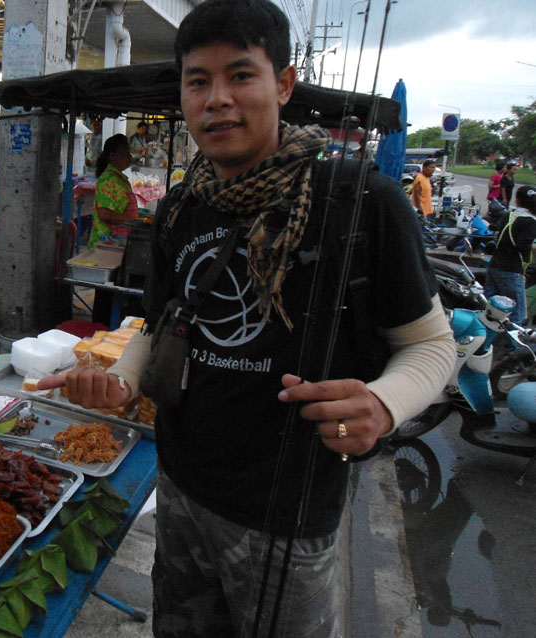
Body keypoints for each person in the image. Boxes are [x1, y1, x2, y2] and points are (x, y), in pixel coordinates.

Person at [40, 1, 455, 636]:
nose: (216, 100)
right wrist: (122, 383)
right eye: (197, 81)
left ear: (283, 84)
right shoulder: (183, 206)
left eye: (240, 76)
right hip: (181, 489)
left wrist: (382, 404)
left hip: (287, 514)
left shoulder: (361, 200)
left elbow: (430, 346)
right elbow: (158, 328)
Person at [484, 185, 536, 354]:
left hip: (494, 266)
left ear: (517, 199)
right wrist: (527, 260)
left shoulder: (510, 214)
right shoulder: (530, 221)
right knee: (517, 313)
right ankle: (512, 352)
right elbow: (523, 246)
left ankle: (483, 344)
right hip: (510, 270)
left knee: (490, 309)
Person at [89, 133, 139, 248]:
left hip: (117, 243)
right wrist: (132, 220)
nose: (129, 157)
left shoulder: (118, 178)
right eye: (126, 153)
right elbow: (104, 214)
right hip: (106, 244)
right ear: (113, 156)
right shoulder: (109, 180)